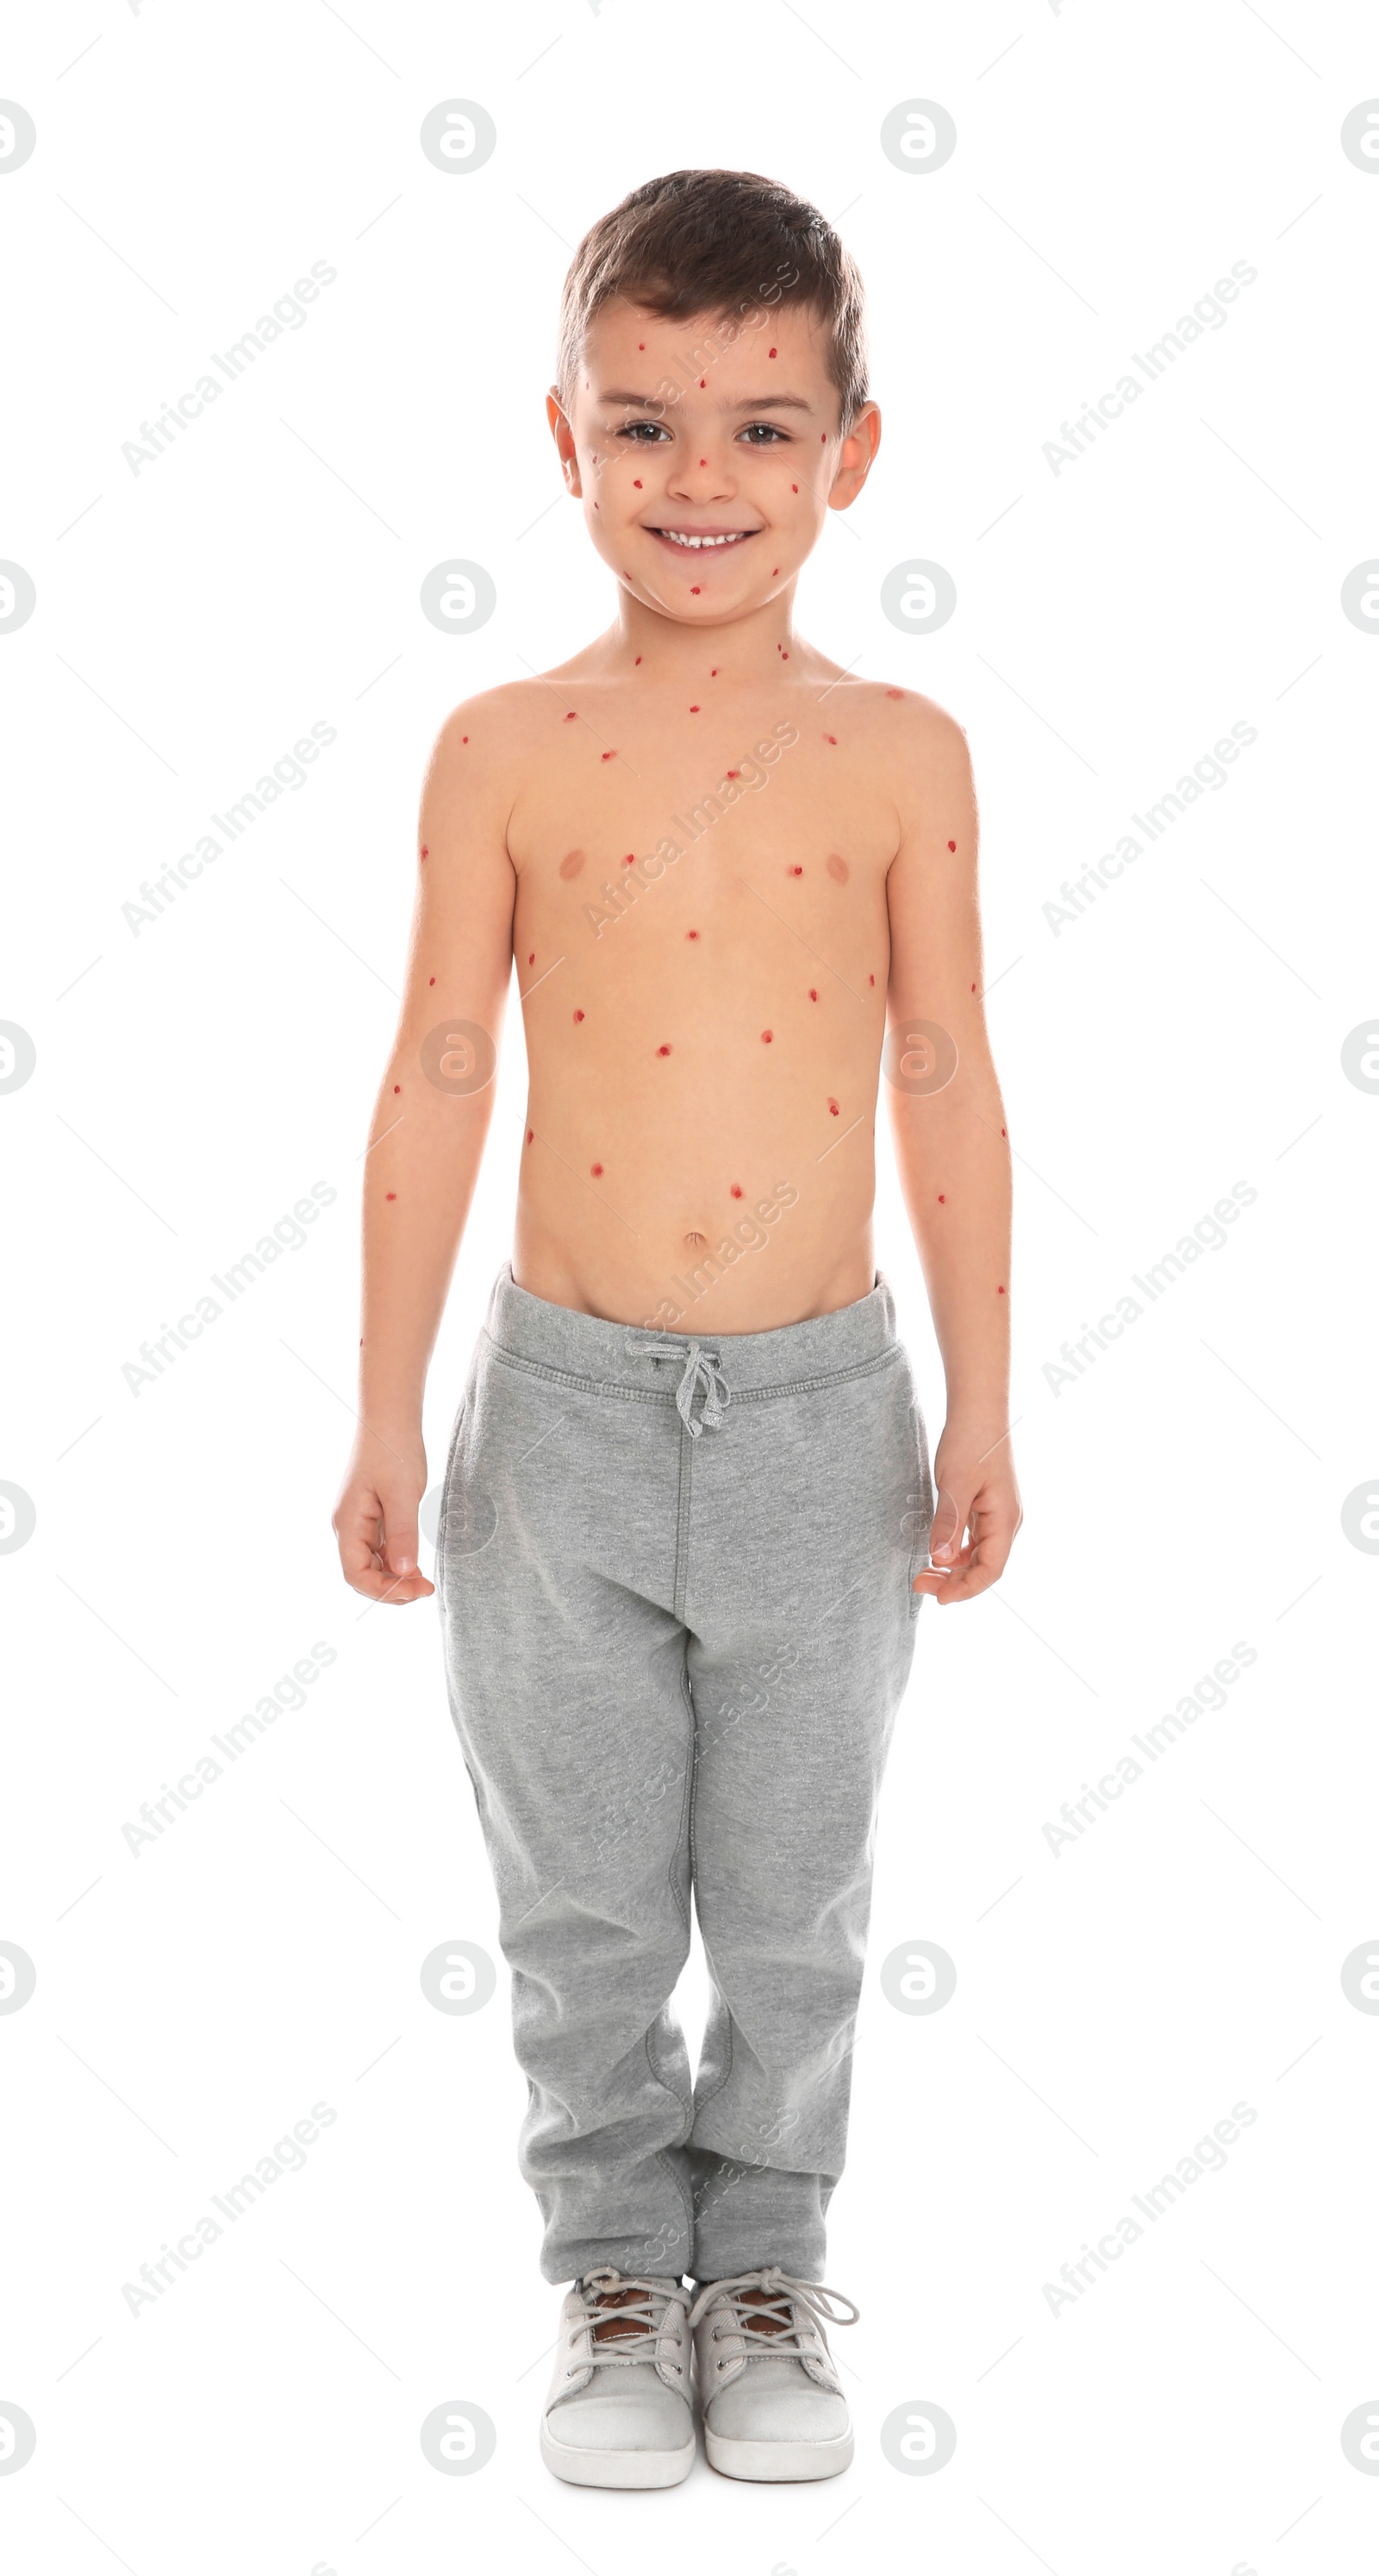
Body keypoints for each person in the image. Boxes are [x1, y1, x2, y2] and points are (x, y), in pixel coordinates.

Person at [333, 166, 1020, 2491]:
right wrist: (381, 1410)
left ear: (857, 448)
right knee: (588, 1888)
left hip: (830, 1414)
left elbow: (945, 1074)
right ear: (560, 440)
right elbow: (440, 1067)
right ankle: (614, 2274)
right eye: (644, 427)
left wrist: (985, 1400)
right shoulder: (505, 747)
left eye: (758, 427)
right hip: (562, 1414)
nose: (698, 484)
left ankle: (770, 2260)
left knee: (802, 1896)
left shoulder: (904, 750)